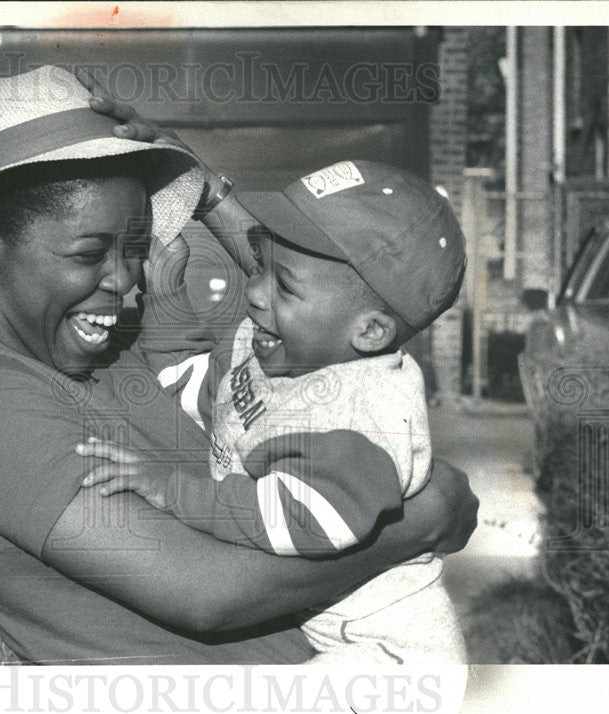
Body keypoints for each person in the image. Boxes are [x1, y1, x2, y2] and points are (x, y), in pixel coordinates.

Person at [0, 64, 479, 664]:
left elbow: (319, 311)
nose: (125, 282)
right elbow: (207, 592)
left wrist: (210, 195)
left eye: (136, 250)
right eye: (90, 253)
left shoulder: (107, 346)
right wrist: (413, 524)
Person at [81, 160, 468, 664]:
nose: (255, 291)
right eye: (259, 264)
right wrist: (167, 295)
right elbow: (203, 392)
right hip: (334, 634)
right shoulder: (285, 349)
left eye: (284, 285)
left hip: (392, 654)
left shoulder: (363, 412)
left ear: (370, 332)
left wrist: (171, 488)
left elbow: (298, 521)